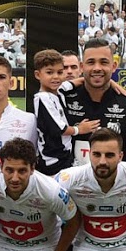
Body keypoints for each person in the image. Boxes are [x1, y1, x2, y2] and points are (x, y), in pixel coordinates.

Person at [63, 38, 126, 163]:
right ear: (81, 66)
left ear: (114, 66)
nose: (97, 68)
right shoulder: (62, 101)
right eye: (91, 62)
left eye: (103, 62)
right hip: (70, 181)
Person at [32, 48, 92, 176]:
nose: (56, 77)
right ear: (38, 75)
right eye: (49, 72)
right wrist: (79, 129)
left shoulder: (58, 90)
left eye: (60, 72)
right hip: (53, 160)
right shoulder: (42, 98)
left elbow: (76, 82)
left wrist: (112, 83)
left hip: (64, 157)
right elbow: (59, 129)